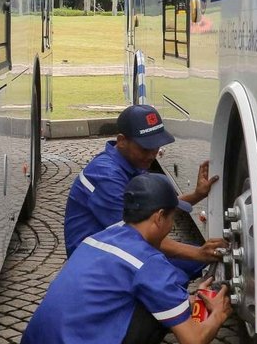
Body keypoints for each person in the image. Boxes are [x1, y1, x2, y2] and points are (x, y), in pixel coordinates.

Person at [20, 173, 232, 344]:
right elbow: (194, 342)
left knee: (159, 300)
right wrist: (217, 314)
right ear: (158, 217)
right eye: (172, 217)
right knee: (157, 306)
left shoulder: (103, 236)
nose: (172, 225)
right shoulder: (149, 264)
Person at [64, 104, 226, 278]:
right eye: (145, 148)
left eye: (156, 147)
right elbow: (140, 234)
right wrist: (198, 253)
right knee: (173, 274)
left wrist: (197, 194)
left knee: (188, 265)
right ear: (121, 141)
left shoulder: (131, 163)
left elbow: (156, 207)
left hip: (111, 248)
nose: (152, 155)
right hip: (93, 264)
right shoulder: (106, 176)